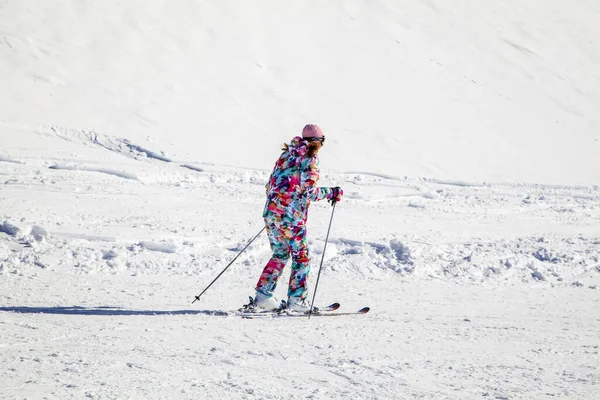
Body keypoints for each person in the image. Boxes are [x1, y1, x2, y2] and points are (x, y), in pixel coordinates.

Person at [252, 124, 343, 312]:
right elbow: (309, 192)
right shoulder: (310, 159)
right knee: (301, 258)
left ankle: (263, 296)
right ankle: (297, 301)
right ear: (318, 142)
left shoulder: (285, 155)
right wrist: (331, 192)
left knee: (280, 254)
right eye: (322, 141)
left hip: (272, 213)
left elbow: (270, 185)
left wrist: (279, 207)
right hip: (292, 218)